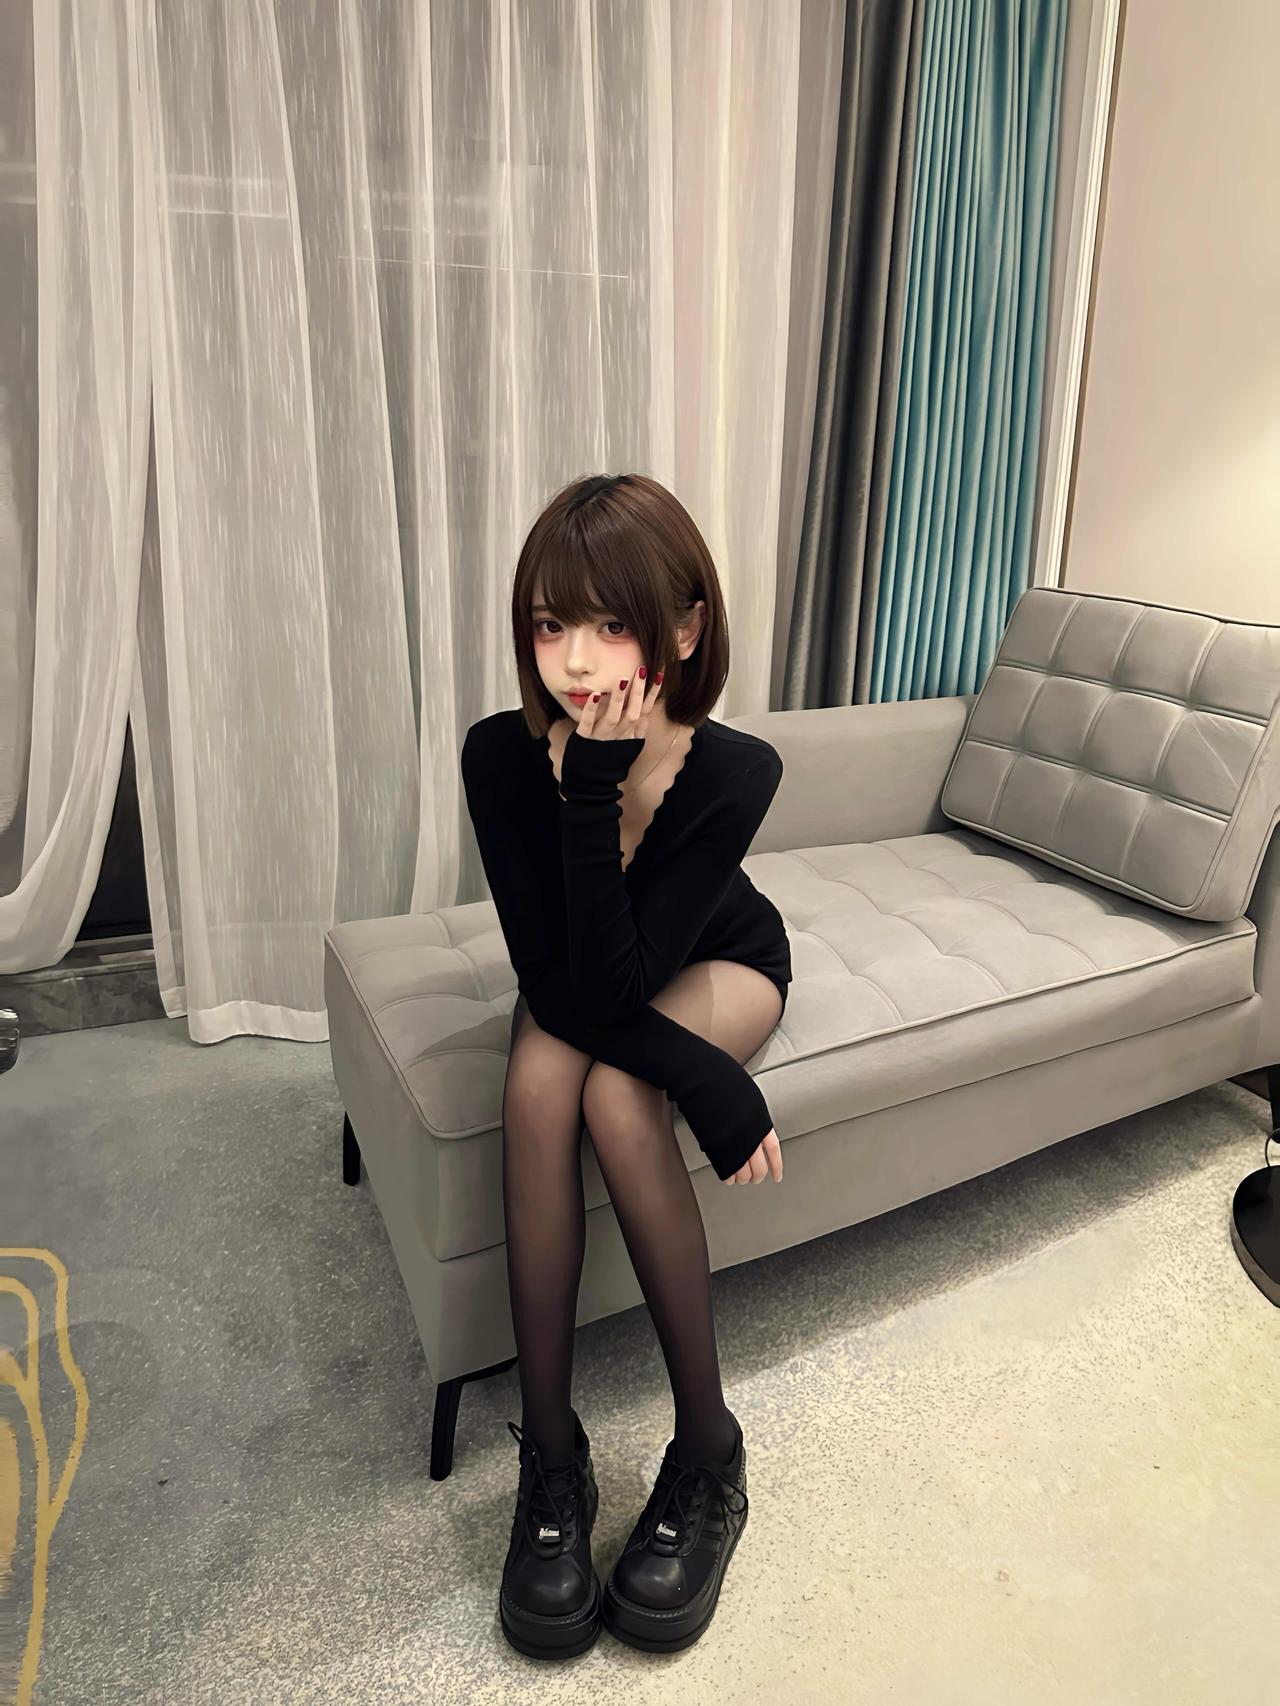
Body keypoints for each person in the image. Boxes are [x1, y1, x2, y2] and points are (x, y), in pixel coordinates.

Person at [460, 471, 792, 1659]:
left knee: (610, 1084)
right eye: (550, 622)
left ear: (684, 628)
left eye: (611, 623)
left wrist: (691, 1061)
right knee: (542, 1080)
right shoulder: (501, 756)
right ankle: (551, 1455)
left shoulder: (734, 770)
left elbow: (636, 978)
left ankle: (708, 1450)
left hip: (721, 957)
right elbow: (562, 985)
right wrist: (583, 791)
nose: (574, 659)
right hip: (583, 975)